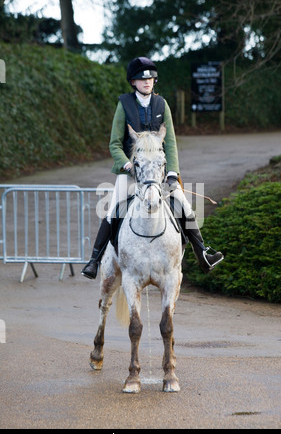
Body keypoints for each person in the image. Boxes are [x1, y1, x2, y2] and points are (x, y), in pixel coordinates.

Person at [81, 57, 223, 279]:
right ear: (133, 82)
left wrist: (173, 173)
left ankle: (203, 254)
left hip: (158, 171)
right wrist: (126, 164)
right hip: (131, 171)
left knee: (183, 205)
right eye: (141, 78)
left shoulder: (162, 104)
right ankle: (94, 260)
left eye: (150, 78)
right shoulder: (124, 104)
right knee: (113, 210)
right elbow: (115, 144)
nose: (147, 82)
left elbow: (171, 142)